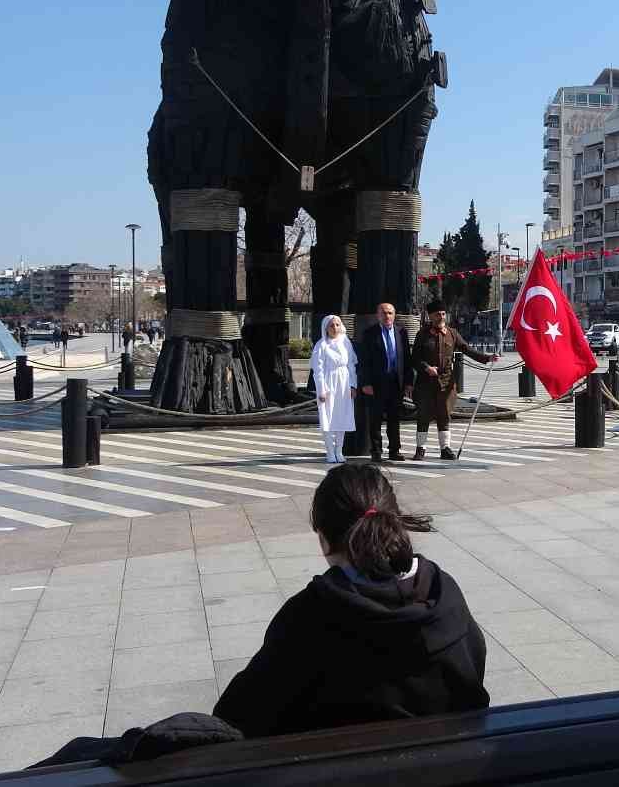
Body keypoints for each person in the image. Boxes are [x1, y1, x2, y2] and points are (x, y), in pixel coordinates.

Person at [208, 463, 488, 737]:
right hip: (456, 762)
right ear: (395, 521)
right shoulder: (443, 592)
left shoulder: (311, 616)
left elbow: (239, 715)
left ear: (324, 539)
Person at [409, 300, 498, 461]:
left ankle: (445, 448)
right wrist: (426, 367)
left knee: (444, 415)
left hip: (446, 382)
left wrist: (487, 358)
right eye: (437, 314)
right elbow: (414, 358)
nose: (441, 317)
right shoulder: (422, 334)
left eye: (443, 314)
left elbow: (467, 350)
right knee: (423, 416)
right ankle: (420, 449)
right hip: (425, 383)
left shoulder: (452, 333)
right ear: (430, 316)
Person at [357, 303, 410, 463]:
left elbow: (406, 359)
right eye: (384, 313)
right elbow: (363, 360)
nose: (387, 316)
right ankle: (376, 451)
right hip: (376, 384)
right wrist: (365, 383)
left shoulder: (401, 332)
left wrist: (408, 382)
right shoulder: (369, 333)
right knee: (375, 419)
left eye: (390, 313)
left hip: (396, 383)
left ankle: (394, 450)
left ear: (394, 315)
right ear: (377, 315)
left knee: (394, 419)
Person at [310, 315, 358, 463]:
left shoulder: (346, 342)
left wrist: (353, 385)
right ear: (326, 328)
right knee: (327, 418)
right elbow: (318, 370)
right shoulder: (321, 345)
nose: (335, 328)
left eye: (337, 325)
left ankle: (339, 451)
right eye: (332, 326)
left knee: (342, 417)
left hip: (344, 383)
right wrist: (321, 390)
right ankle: (330, 452)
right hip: (328, 383)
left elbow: (351, 366)